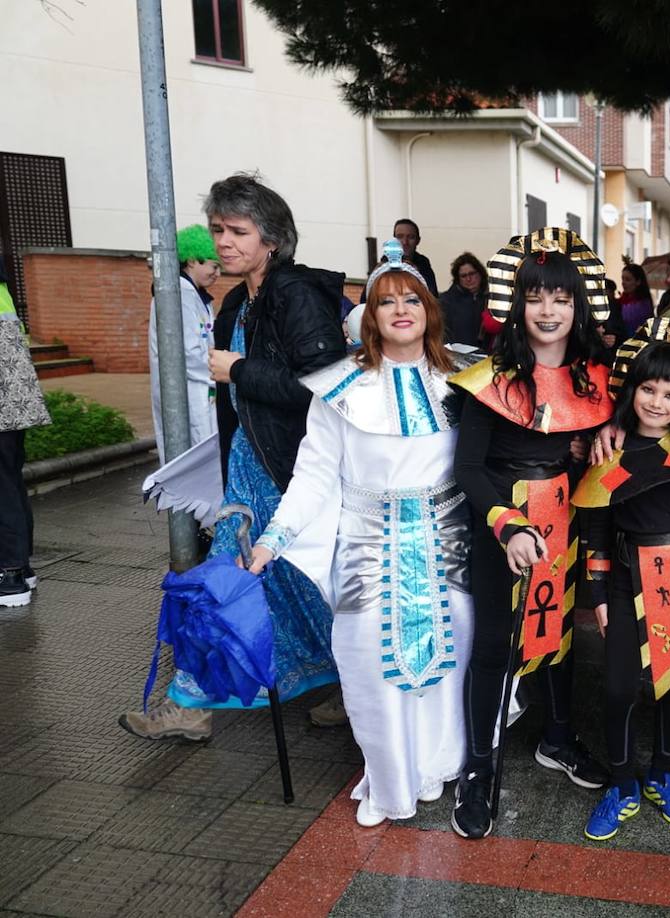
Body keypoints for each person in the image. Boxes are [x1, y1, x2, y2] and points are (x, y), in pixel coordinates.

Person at [246, 243, 474, 825]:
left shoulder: (467, 379)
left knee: (452, 660)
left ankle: (436, 768)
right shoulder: (338, 389)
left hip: (449, 542)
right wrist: (275, 537)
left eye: (411, 299)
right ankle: (389, 780)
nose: (400, 309)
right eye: (385, 301)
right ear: (368, 316)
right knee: (369, 660)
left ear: (429, 309)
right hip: (367, 547)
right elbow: (315, 474)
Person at [120, 173, 346, 742]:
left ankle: (340, 682)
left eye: (238, 230)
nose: (223, 242)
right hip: (250, 470)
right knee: (274, 586)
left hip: (288, 473)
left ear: (272, 239)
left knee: (250, 583)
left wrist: (239, 370)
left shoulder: (294, 294)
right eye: (218, 229)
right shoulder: (236, 303)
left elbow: (322, 384)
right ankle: (198, 704)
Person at [447, 227, 614, 840]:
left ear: (578, 306)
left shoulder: (595, 379)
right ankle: (479, 765)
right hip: (503, 526)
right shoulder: (491, 377)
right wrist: (506, 524)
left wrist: (598, 439)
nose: (549, 311)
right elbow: (468, 469)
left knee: (559, 635)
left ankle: (558, 738)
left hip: (565, 519)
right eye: (536, 297)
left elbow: (597, 441)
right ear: (517, 304)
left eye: (561, 299)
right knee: (495, 644)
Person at [573, 327, 670, 840]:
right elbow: (594, 527)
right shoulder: (610, 451)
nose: (658, 402)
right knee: (618, 688)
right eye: (649, 389)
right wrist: (594, 593)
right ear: (631, 388)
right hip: (621, 577)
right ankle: (621, 782)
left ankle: (662, 773)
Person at [0, 254, 50, 608]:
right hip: (12, 402)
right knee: (9, 480)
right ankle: (20, 566)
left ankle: (11, 572)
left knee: (2, 485)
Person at [149, 225, 221, 463]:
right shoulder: (180, 294)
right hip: (190, 392)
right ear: (192, 261)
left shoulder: (195, 295)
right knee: (194, 459)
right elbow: (188, 354)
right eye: (214, 265)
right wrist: (220, 374)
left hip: (200, 389)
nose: (217, 274)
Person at [438, 252, 487, 348]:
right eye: (463, 276)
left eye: (472, 274)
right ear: (458, 279)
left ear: (480, 273)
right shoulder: (446, 301)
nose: (468, 279)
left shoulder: (491, 298)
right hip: (457, 356)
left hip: (486, 357)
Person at [389, 218, 439, 295]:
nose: (405, 242)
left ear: (418, 241)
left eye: (411, 237)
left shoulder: (424, 266)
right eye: (400, 237)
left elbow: (432, 297)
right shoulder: (383, 267)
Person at [619, 262, 655, 332]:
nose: (623, 283)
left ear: (638, 282)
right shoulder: (621, 301)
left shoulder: (643, 305)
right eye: (622, 279)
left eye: (628, 279)